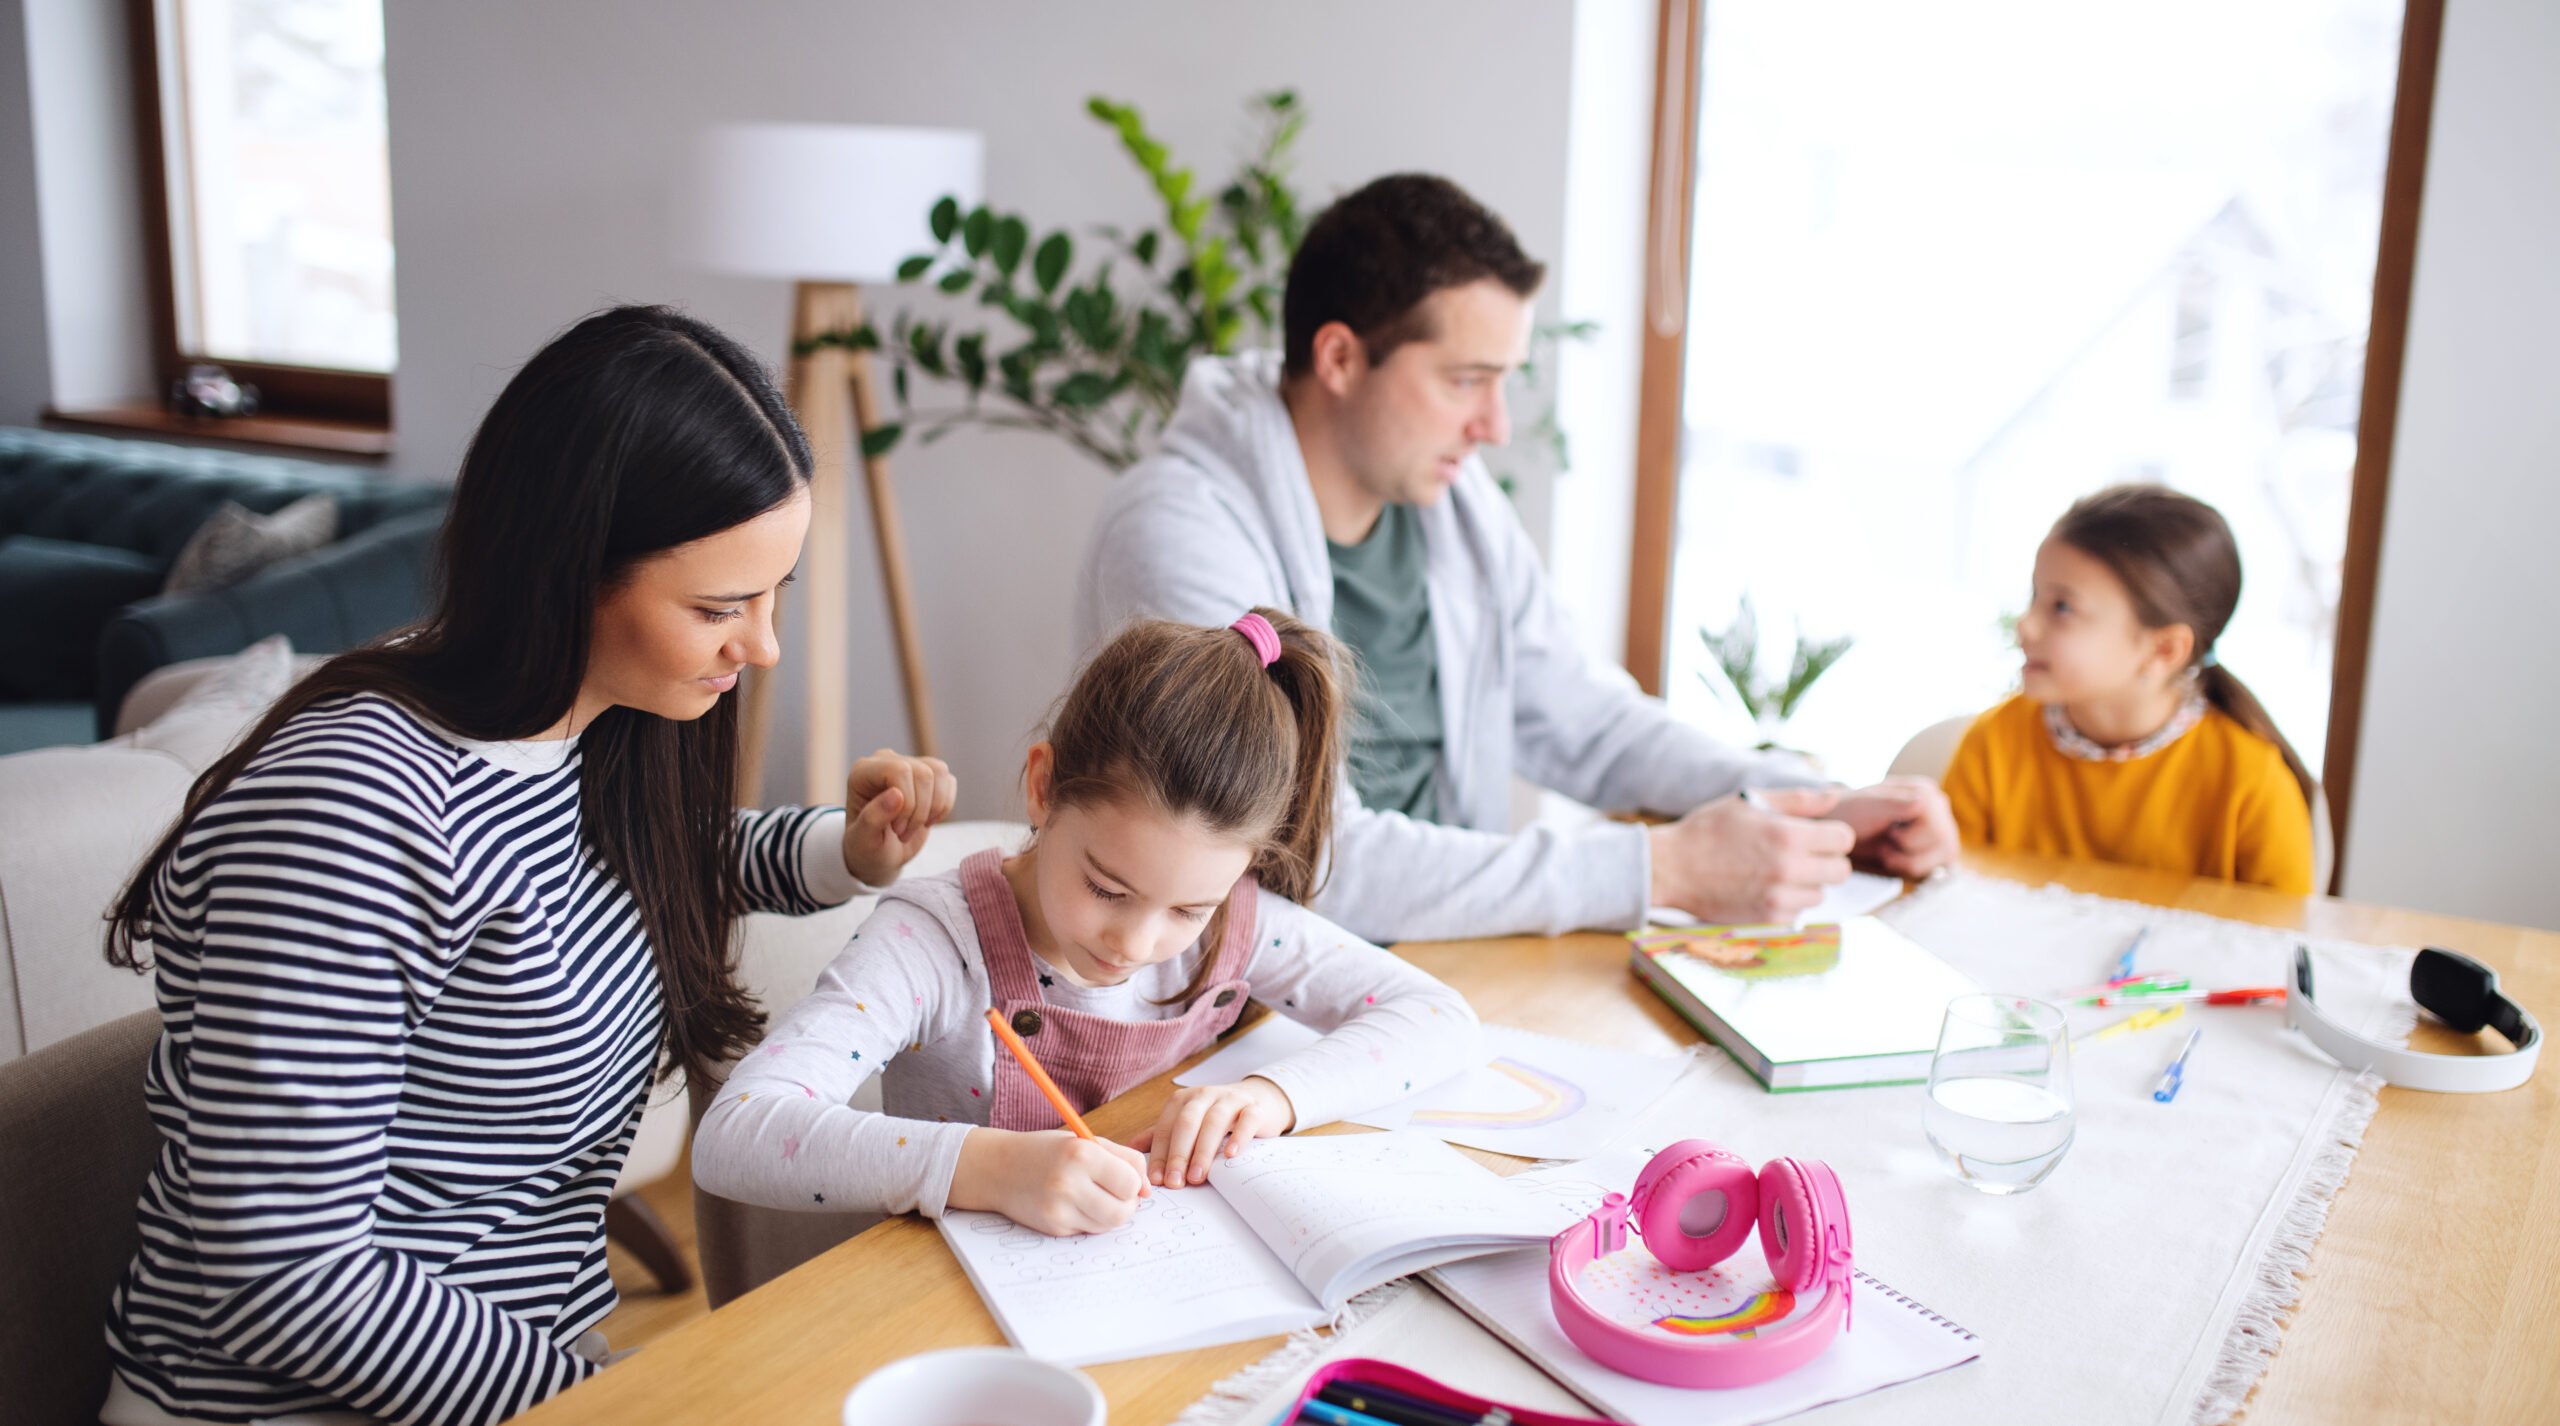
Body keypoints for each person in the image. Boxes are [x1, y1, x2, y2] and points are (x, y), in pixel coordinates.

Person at [97, 306, 954, 1426]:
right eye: (719, 607)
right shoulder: (349, 816)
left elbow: (640, 858)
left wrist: (847, 849)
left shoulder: (579, 720)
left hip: (521, 1378)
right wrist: (624, 1396)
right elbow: (284, 1278)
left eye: (774, 593)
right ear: (568, 567)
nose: (763, 645)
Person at [1075, 173, 1956, 944]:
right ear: (1341, 357)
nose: (1494, 425)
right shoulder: (1179, 530)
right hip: (1254, 1014)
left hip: (1441, 969)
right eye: (1465, 380)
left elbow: (1586, 721)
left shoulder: (1455, 508)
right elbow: (1307, 859)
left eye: (1504, 381)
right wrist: (1654, 872)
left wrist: (1809, 803)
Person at [692, 610, 1481, 1237]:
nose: (1136, 945)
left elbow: (1441, 1017)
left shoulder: (1235, 927)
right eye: (1107, 889)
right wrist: (988, 1167)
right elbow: (737, 1135)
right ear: (1042, 788)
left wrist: (1275, 1094)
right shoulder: (935, 943)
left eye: (1187, 909)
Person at [1942, 484, 2316, 893]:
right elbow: (1948, 895)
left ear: (2163, 649)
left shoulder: (2251, 784)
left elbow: (2280, 943)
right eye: (2036, 595)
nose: (2025, 625)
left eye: (2063, 607)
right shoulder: (1992, 744)